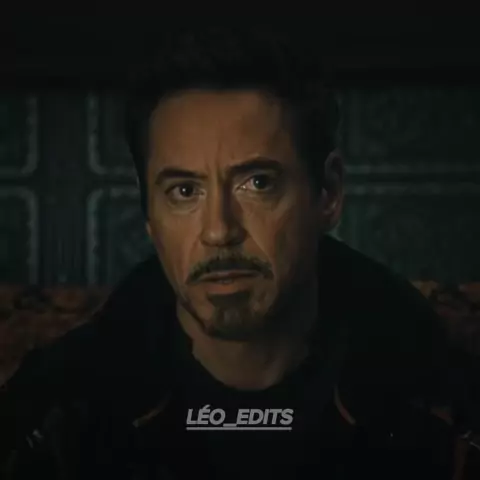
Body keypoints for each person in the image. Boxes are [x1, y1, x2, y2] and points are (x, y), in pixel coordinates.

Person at [0, 26, 465, 479]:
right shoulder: (56, 414)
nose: (220, 231)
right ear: (149, 216)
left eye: (258, 183)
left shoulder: (442, 408)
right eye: (184, 191)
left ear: (328, 193)